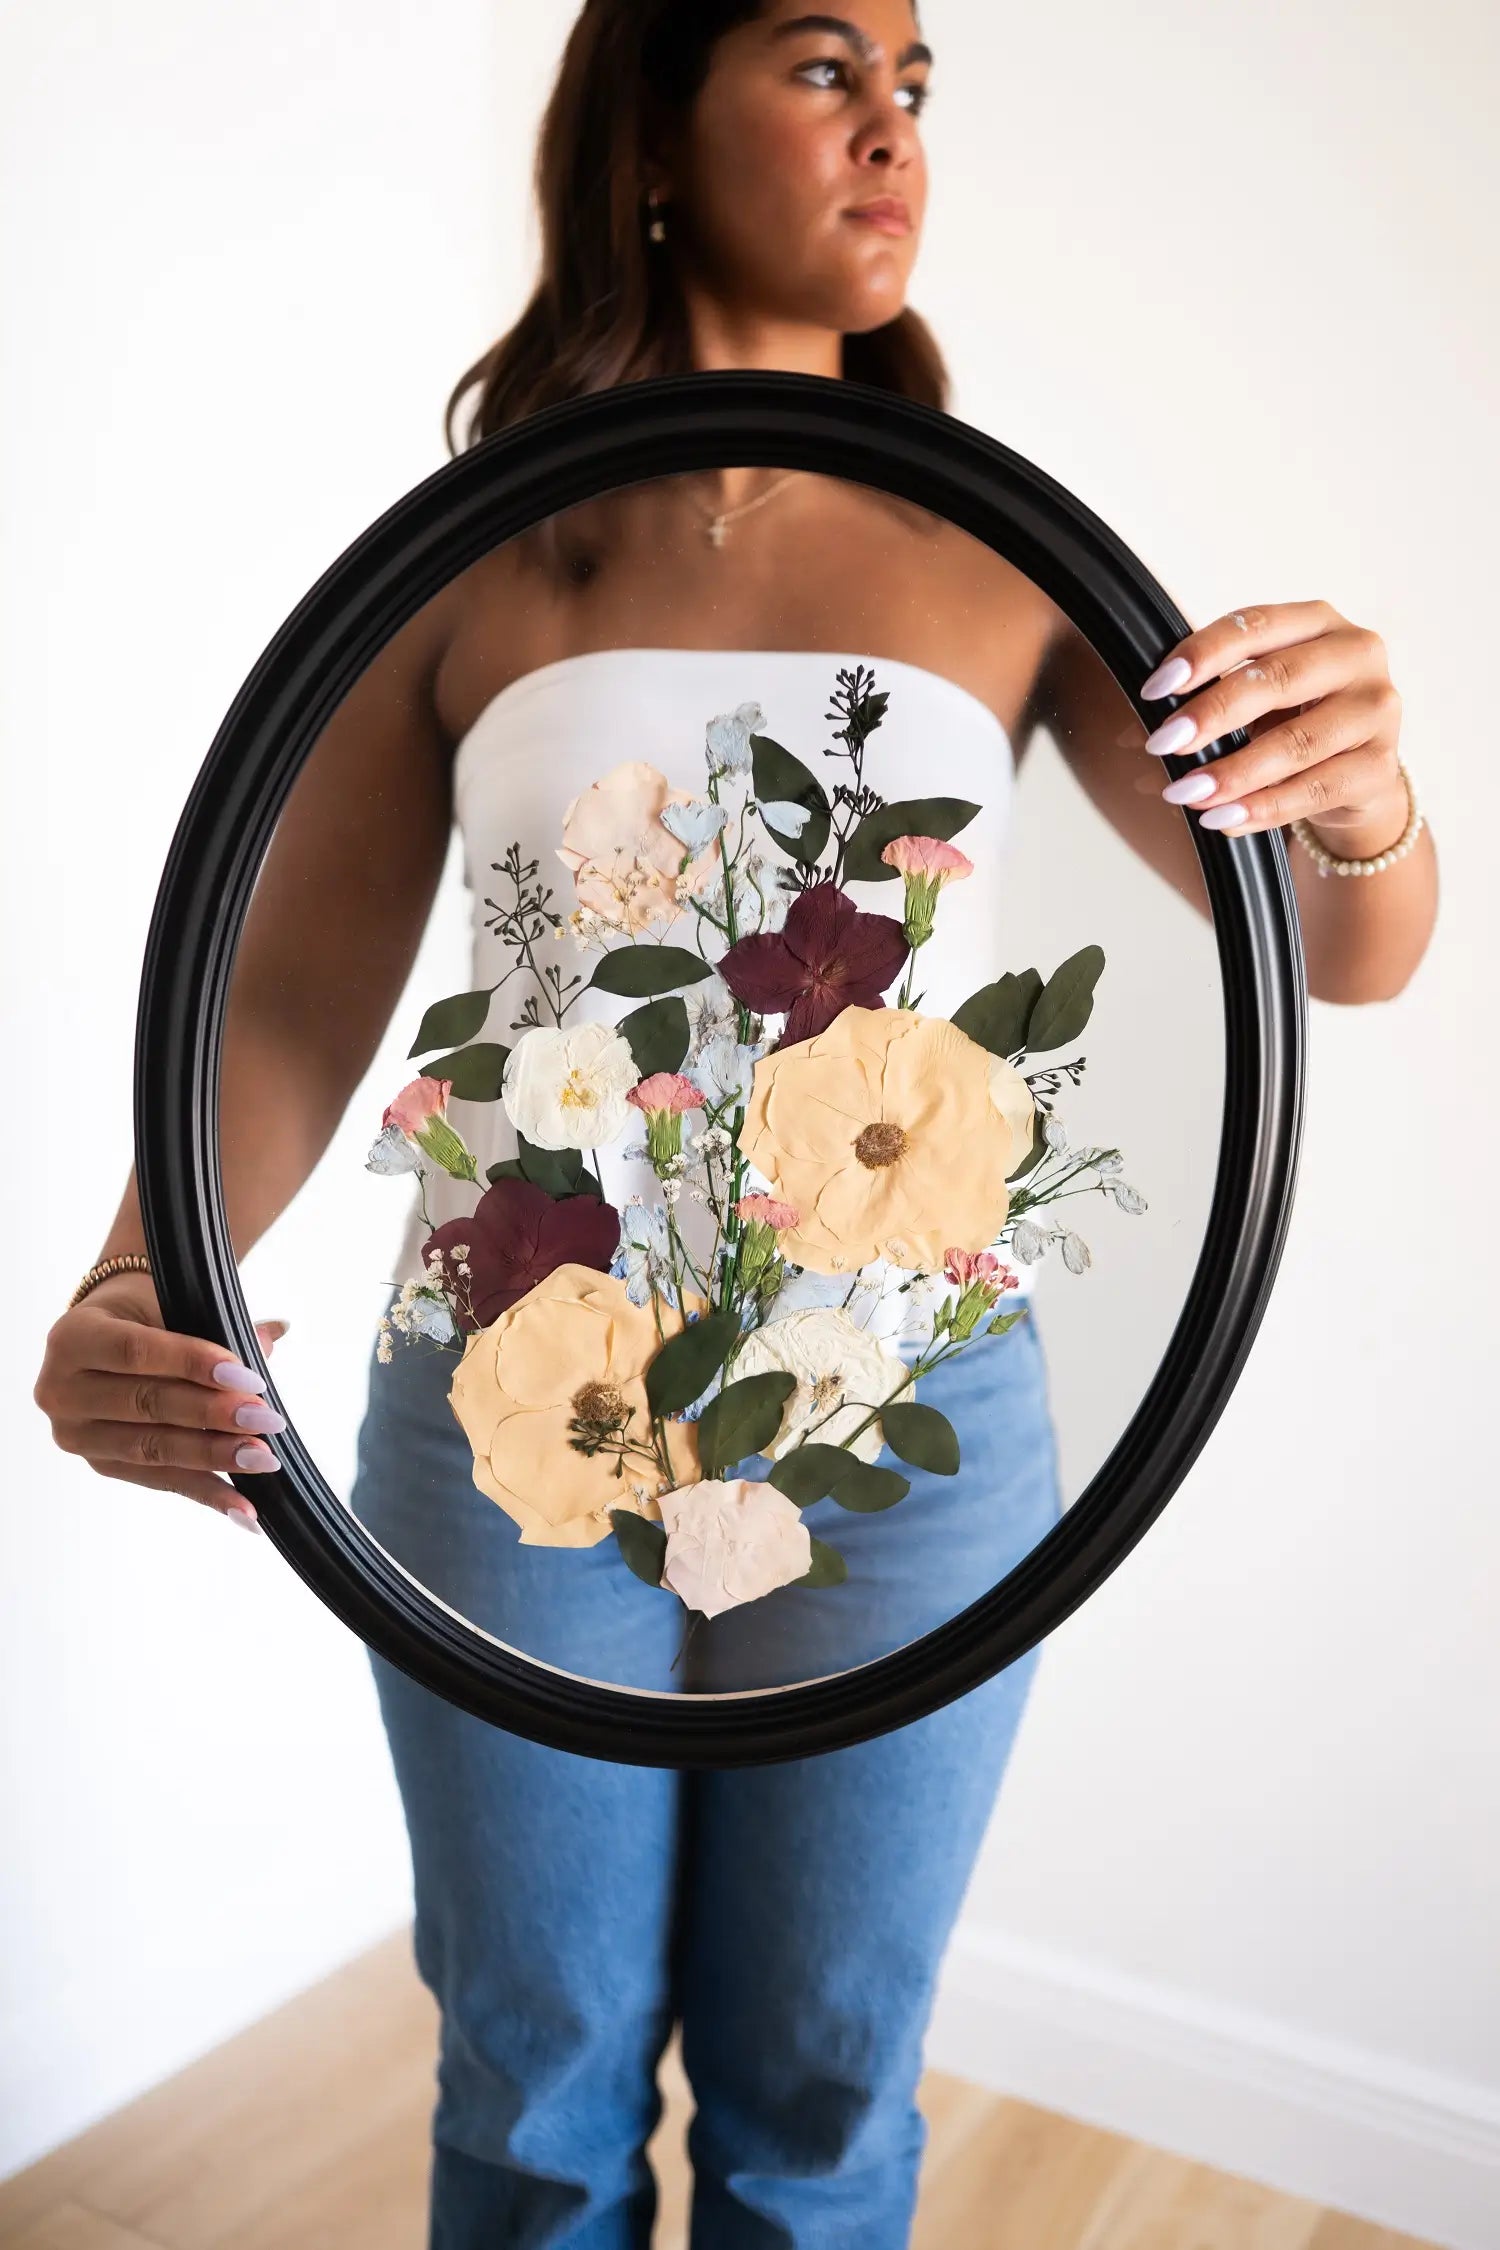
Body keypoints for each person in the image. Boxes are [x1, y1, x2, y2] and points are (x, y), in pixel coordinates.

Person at [34, 3, 1438, 2245]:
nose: (894, 127)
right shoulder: (480, 550)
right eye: (820, 66)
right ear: (656, 137)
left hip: (912, 1420)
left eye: (916, 83)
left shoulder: (1006, 546)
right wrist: (139, 1265)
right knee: (532, 2088)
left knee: (824, 2100)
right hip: (501, 1396)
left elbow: (1335, 954)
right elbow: (284, 996)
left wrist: (1364, 800)